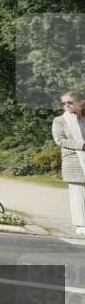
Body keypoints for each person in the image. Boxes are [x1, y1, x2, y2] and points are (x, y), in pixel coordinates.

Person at [52, 90, 85, 236]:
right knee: (78, 193)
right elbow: (60, 140)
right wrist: (81, 145)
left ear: (81, 102)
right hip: (74, 161)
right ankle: (81, 224)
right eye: (63, 103)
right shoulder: (60, 120)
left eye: (70, 102)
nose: (66, 105)